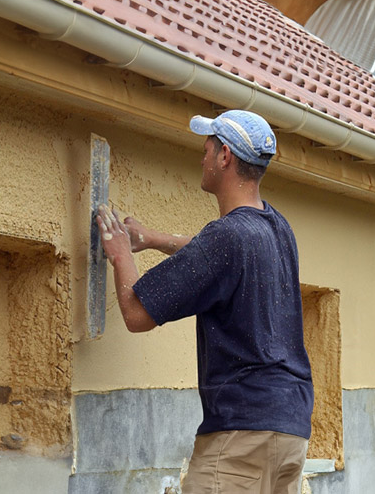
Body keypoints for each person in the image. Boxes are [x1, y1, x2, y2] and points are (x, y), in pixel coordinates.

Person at [96, 109, 314, 494]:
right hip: (290, 428)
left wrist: (120, 254)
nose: (202, 158)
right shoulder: (278, 229)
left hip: (242, 434)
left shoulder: (226, 238)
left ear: (225, 157)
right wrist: (153, 239)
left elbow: (135, 313)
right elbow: (215, 259)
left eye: (207, 149)